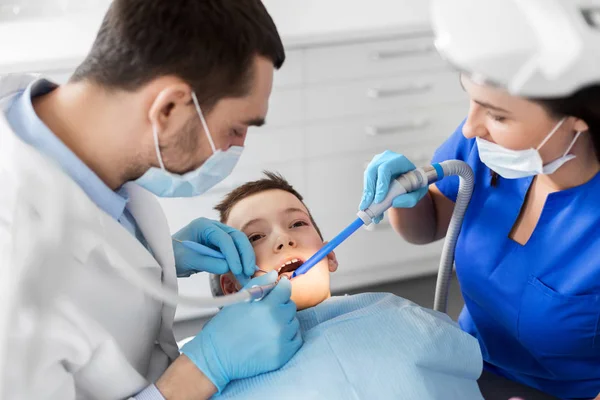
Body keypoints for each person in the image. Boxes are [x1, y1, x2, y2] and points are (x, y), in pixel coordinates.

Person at [0, 1, 305, 399]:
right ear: (168, 109)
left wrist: (155, 256)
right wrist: (205, 367)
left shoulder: (61, 128)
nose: (237, 147)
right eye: (235, 128)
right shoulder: (17, 274)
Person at [360, 72, 600, 398]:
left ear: (580, 118)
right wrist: (402, 199)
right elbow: (430, 224)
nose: (470, 127)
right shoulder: (483, 146)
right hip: (468, 364)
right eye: (470, 100)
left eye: (498, 116)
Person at [204, 172, 484, 399]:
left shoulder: (399, 314)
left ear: (330, 256)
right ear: (230, 287)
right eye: (254, 237)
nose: (284, 239)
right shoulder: (214, 366)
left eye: (297, 223)